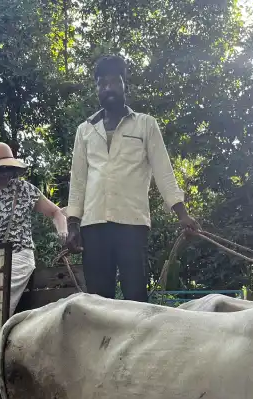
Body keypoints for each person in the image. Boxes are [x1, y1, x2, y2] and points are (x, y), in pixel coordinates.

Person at [65, 54, 199, 302]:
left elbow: (163, 171)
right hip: (93, 225)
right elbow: (78, 181)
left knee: (136, 297)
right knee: (97, 301)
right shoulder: (85, 130)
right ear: (97, 88)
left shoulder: (145, 125)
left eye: (114, 82)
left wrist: (182, 213)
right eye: (101, 84)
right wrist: (73, 224)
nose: (108, 88)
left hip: (132, 224)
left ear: (125, 84)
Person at [0, 142, 68, 314]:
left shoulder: (24, 189)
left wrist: (62, 230)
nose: (4, 172)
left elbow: (55, 212)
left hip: (18, 254)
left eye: (8, 167)